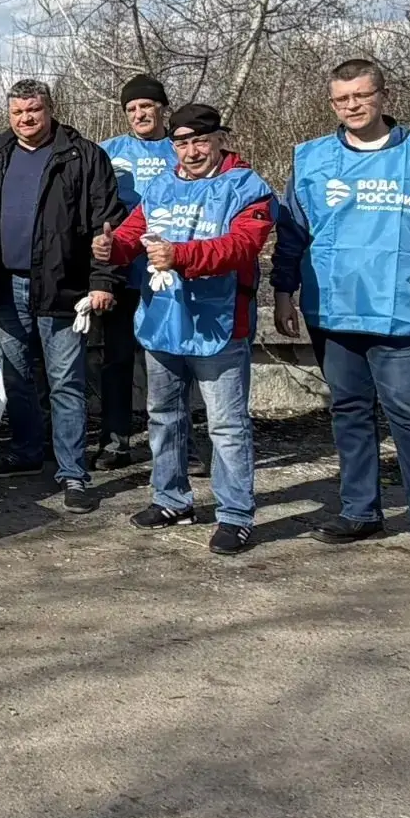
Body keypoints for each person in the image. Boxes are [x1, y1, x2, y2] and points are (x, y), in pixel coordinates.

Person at [271, 59, 410, 585]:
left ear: (383, 96)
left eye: (361, 96)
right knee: (347, 412)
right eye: (341, 99)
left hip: (401, 310)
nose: (352, 106)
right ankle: (359, 510)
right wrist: (283, 290)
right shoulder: (313, 160)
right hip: (334, 308)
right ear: (332, 103)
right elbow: (293, 232)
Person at [97, 105, 275, 555]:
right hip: (163, 320)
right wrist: (110, 246)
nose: (191, 151)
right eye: (181, 142)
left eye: (200, 141)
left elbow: (242, 246)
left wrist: (183, 257)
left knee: (227, 425)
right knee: (164, 416)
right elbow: (133, 233)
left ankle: (235, 515)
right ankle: (171, 499)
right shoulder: (162, 185)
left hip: (219, 325)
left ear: (220, 139)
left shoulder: (248, 187)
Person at [0, 78, 121, 512]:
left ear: (50, 110)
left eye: (34, 111)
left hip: (63, 287)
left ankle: (73, 473)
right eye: (18, 113)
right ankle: (27, 453)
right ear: (7, 116)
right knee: (17, 377)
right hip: (4, 285)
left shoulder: (83, 156)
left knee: (66, 381)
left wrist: (102, 281)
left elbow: (107, 226)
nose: (26, 120)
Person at [95, 74, 182, 471]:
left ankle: (183, 443)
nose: (139, 114)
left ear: (162, 108)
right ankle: (115, 441)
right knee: (116, 360)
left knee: (173, 358)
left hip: (171, 273)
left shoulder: (181, 148)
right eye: (131, 109)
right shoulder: (110, 151)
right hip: (122, 273)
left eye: (145, 106)